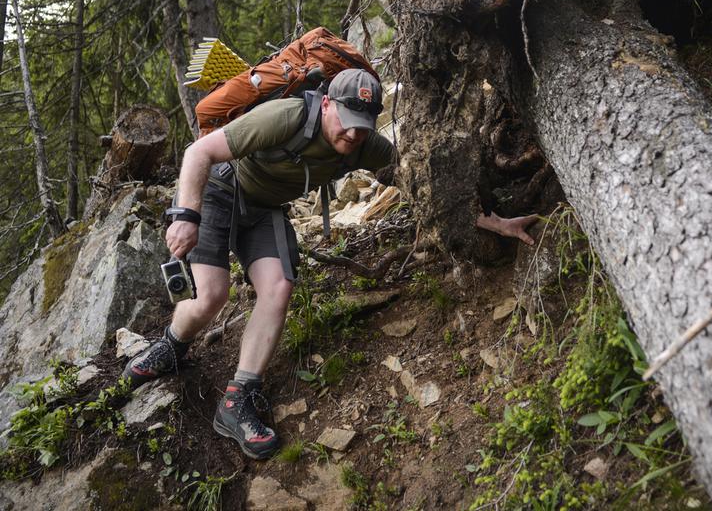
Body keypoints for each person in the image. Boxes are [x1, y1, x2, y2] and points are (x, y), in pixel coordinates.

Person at [123, 68, 537, 460]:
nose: (354, 132)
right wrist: (186, 216)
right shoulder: (284, 117)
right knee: (211, 295)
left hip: (265, 208)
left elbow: (422, 184)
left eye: (364, 123)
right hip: (220, 191)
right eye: (347, 118)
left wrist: (496, 222)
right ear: (325, 104)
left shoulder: (365, 145)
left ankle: (238, 399)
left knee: (278, 288)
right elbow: (199, 152)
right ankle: (172, 346)